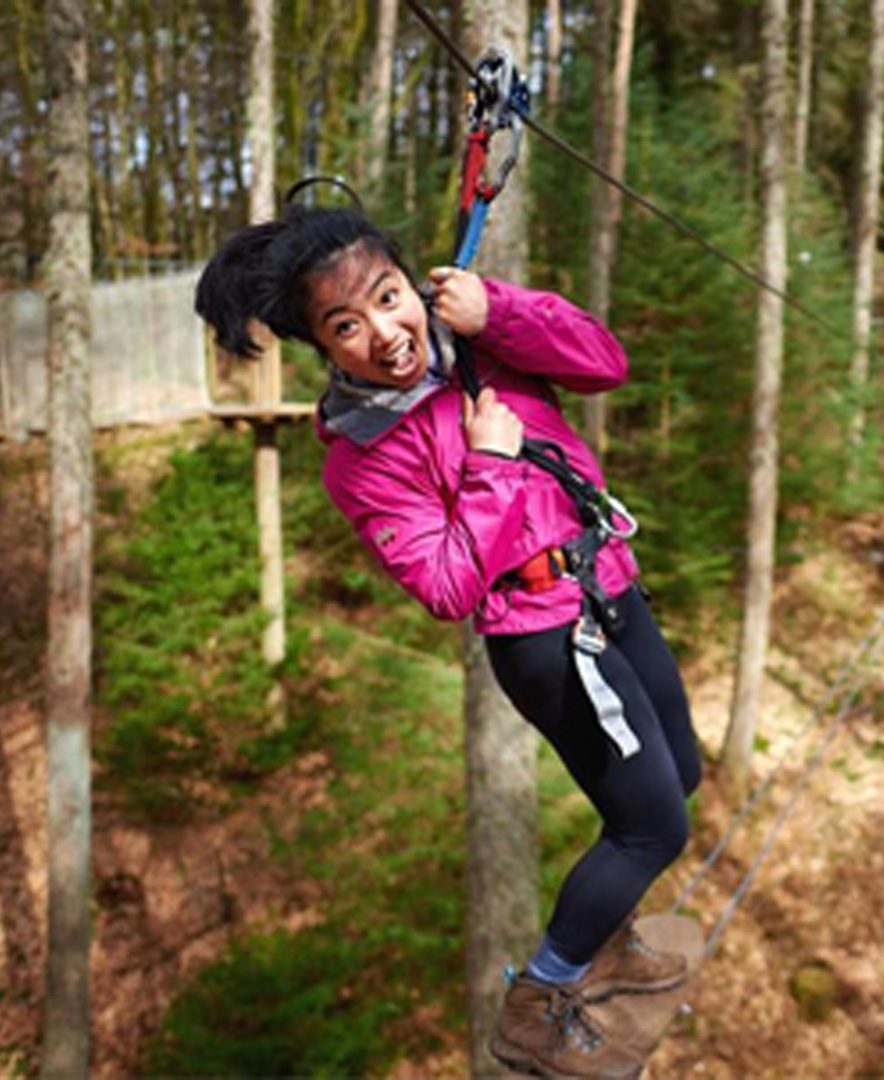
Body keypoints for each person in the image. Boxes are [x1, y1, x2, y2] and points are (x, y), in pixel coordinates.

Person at [195, 202, 702, 1077]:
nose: (385, 334)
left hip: (610, 585)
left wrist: (500, 310)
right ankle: (539, 1008)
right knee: (652, 828)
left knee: (682, 775)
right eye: (344, 326)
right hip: (547, 638)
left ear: (411, 282)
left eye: (389, 297)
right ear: (322, 346)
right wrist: (492, 469)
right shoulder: (361, 456)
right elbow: (444, 586)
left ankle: (601, 953)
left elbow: (604, 363)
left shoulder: (479, 344)